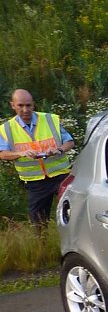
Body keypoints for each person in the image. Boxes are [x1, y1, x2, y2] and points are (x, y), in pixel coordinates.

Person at [0, 89, 75, 225]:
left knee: (73, 213)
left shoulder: (50, 119)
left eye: (28, 105)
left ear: (33, 104)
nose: (25, 110)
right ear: (12, 105)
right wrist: (20, 153)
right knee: (38, 222)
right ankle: (42, 245)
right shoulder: (6, 129)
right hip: (35, 182)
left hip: (61, 176)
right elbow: (2, 154)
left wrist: (59, 150)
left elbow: (69, 142)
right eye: (20, 105)